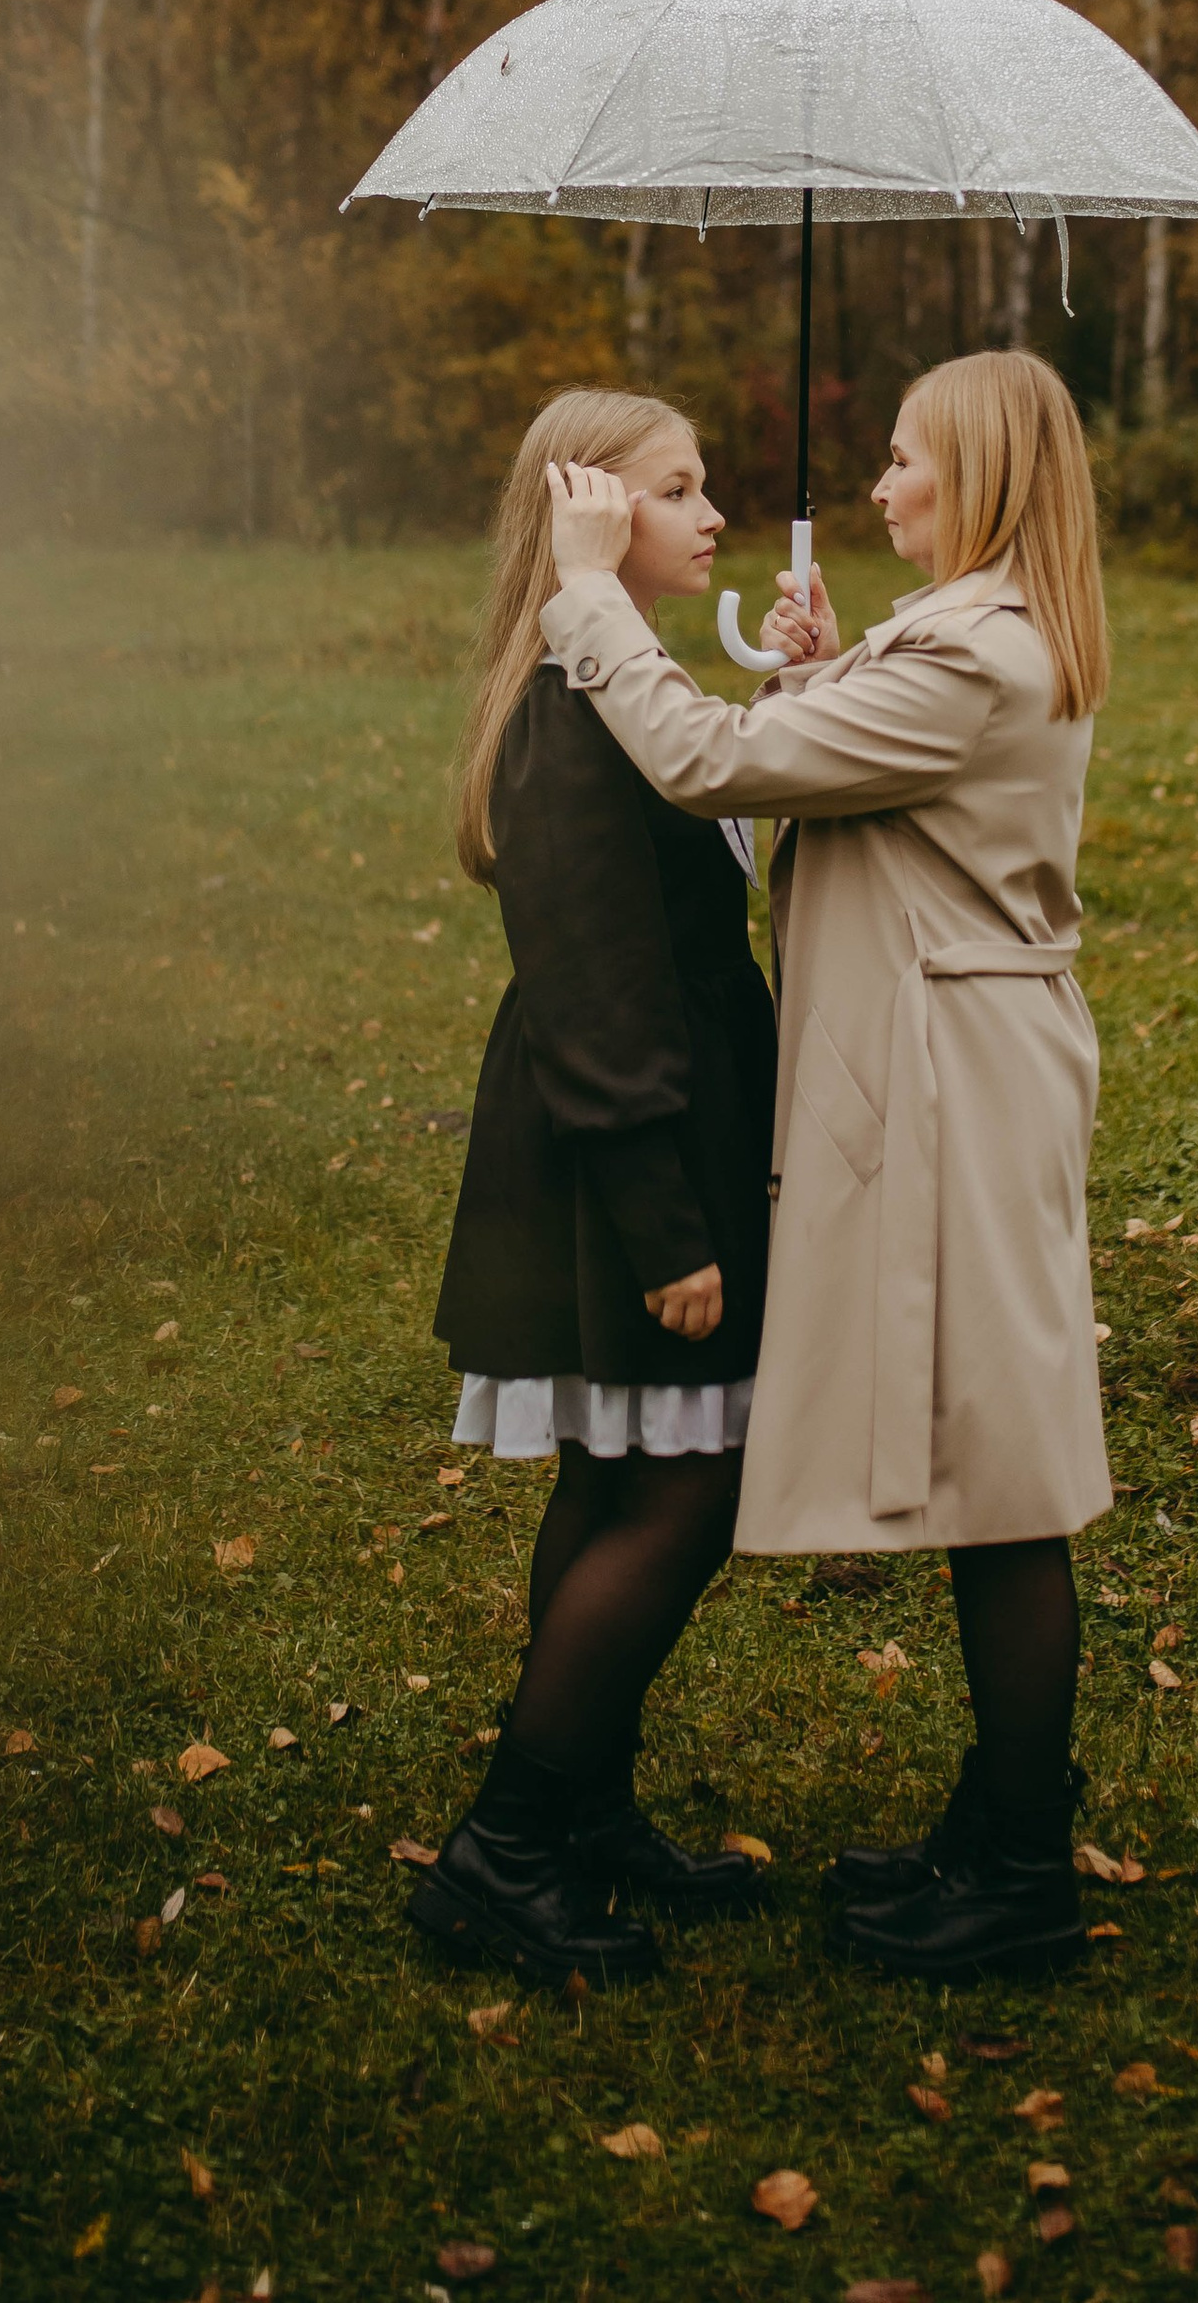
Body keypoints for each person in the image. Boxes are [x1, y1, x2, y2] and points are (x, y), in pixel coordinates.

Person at [539, 348, 1113, 1981]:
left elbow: (713, 768)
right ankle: (994, 1830)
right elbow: (857, 774)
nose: (880, 486)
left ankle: (1018, 1869)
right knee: (994, 1472)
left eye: (906, 459)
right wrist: (817, 674)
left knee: (1006, 1484)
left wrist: (590, 604)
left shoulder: (980, 654)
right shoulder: (963, 639)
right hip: (952, 1069)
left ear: (981, 479)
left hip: (966, 1089)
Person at [410, 388, 779, 1986]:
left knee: (614, 1474)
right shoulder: (570, 702)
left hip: (649, 1127)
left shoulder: (619, 677)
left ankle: (581, 1816)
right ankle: (502, 1852)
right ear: (587, 507)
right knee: (684, 1492)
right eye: (679, 490)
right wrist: (664, 1224)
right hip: (629, 1144)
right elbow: (596, 983)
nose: (712, 516)